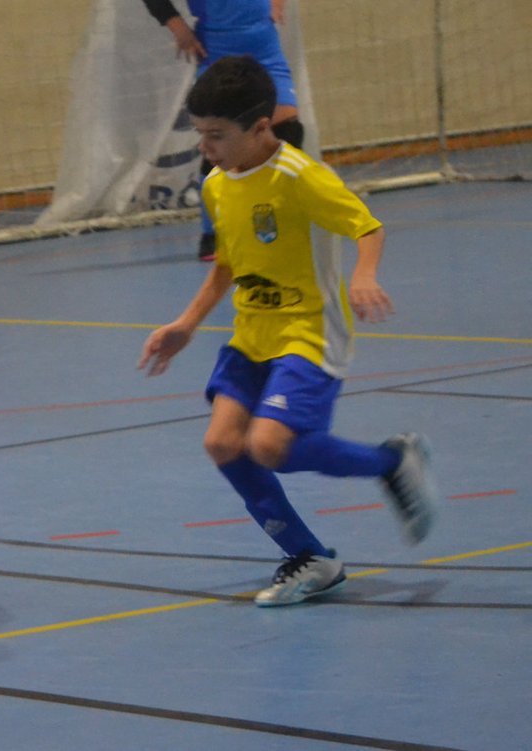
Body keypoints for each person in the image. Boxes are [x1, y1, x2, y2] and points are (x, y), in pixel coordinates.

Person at [138, 56, 437, 607]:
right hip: (252, 333)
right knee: (223, 444)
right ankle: (311, 558)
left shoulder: (301, 177)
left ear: (260, 127)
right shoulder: (216, 184)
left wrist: (363, 275)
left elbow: (366, 226)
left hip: (308, 330)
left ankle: (392, 461)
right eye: (199, 134)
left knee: (270, 445)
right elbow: (227, 266)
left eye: (216, 136)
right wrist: (186, 324)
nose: (205, 147)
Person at [139, 0, 304, 261]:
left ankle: (279, 219)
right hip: (217, 48)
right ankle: (213, 233)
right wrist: (177, 26)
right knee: (219, 141)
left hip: (263, 44)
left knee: (287, 131)